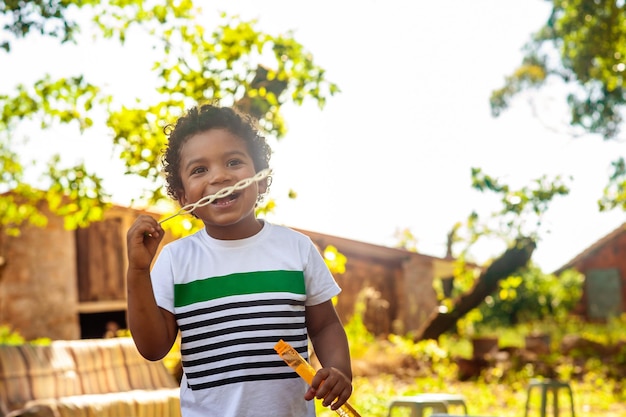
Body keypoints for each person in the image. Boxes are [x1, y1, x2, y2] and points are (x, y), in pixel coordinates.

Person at [126, 103, 354, 417]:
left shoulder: (296, 249)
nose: (220, 176)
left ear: (261, 180)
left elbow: (326, 325)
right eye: (199, 170)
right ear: (183, 198)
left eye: (233, 161)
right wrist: (138, 270)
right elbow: (152, 349)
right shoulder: (175, 260)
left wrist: (339, 370)